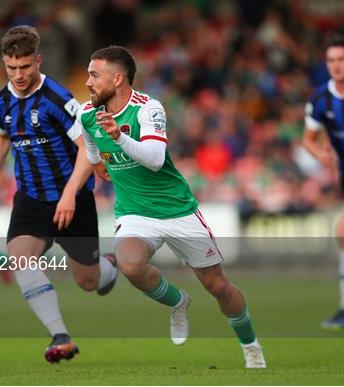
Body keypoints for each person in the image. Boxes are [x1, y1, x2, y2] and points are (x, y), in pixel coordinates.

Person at [78, 45, 267, 368]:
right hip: (135, 213)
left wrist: (120, 138)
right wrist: (98, 166)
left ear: (118, 78)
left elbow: (154, 160)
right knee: (131, 266)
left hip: (177, 210)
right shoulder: (86, 115)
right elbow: (93, 152)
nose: (88, 82)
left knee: (217, 285)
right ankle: (178, 302)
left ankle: (251, 346)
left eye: (95, 75)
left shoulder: (148, 108)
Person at [0, 26, 118, 363]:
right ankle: (60, 335)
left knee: (87, 281)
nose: (18, 74)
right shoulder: (1, 101)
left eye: (25, 67)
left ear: (37, 60)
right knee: (19, 256)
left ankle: (108, 268)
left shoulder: (58, 99)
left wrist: (70, 194)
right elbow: (1, 136)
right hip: (30, 198)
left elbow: (87, 149)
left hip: (73, 196)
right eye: (11, 68)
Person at [303, 35, 344, 331]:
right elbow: (307, 139)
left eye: (341, 59)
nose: (336, 65)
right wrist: (321, 153)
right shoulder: (321, 99)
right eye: (331, 60)